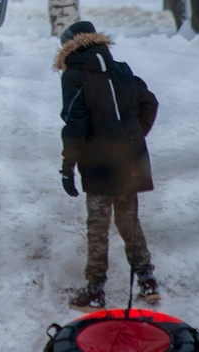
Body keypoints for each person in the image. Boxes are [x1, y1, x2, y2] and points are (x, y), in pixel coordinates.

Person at [56, 19, 161, 310]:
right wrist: (134, 136)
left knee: (98, 225)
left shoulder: (74, 76)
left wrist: (67, 167)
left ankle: (95, 289)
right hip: (131, 157)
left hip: (100, 159)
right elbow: (150, 103)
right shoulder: (123, 69)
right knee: (129, 221)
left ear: (70, 46)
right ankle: (147, 280)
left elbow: (75, 125)